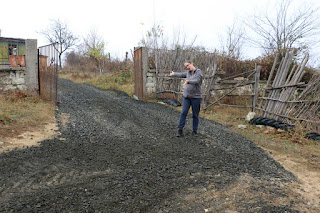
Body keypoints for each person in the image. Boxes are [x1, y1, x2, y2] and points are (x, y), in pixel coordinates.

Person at [169, 61, 203, 137]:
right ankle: (180, 130)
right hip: (186, 97)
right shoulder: (188, 73)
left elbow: (197, 81)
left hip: (196, 98)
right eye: (186, 67)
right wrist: (174, 74)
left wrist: (188, 81)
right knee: (183, 112)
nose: (187, 67)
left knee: (195, 115)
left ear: (192, 63)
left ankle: (194, 131)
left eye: (188, 65)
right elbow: (181, 74)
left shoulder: (199, 72)